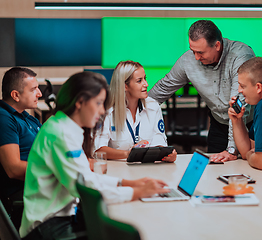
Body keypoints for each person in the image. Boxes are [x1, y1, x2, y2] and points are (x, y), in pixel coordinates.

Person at [20, 72, 170, 239]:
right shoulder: (61, 134)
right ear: (80, 102)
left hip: (57, 219)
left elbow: (86, 178)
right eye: (98, 103)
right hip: (47, 228)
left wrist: (129, 183)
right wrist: (137, 192)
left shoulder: (64, 126)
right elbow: (87, 188)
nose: (102, 111)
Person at [148, 20, 255, 162]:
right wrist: (133, 111)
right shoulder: (188, 60)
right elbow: (163, 88)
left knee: (249, 169)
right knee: (215, 169)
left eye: (200, 52)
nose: (196, 57)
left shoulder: (240, 56)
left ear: (217, 45)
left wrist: (231, 149)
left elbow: (239, 104)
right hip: (219, 125)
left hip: (248, 124)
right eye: (193, 51)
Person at [94, 60, 177, 162]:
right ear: (125, 86)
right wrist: (128, 154)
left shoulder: (153, 107)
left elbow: (159, 143)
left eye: (145, 79)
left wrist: (166, 155)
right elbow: (98, 150)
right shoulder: (106, 111)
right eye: (139, 81)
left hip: (148, 169)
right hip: (118, 171)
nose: (146, 84)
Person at [0, 67, 42, 229]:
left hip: (37, 188)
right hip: (23, 197)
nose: (39, 93)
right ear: (15, 95)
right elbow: (13, 169)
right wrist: (57, 169)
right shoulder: (4, 119)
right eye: (33, 89)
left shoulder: (26, 117)